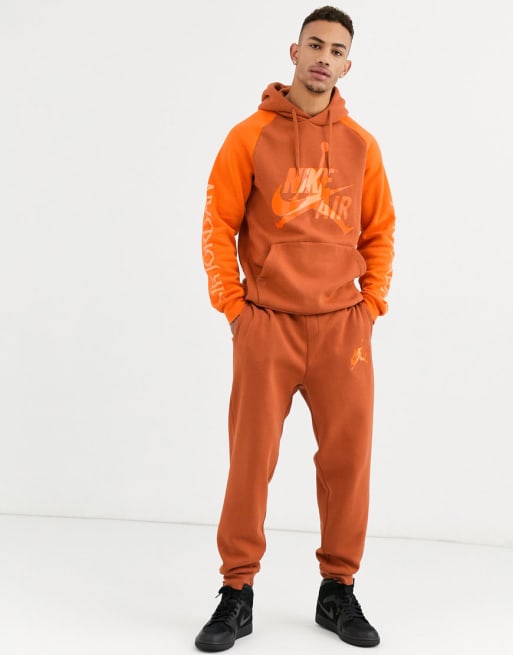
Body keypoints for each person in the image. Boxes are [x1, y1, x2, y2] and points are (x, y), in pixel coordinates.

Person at [196, 5, 395, 651]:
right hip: (267, 326)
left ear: (347, 65)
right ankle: (236, 592)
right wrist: (233, 307)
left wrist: (371, 306)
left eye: (336, 51)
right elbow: (217, 223)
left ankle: (337, 589)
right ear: (293, 51)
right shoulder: (248, 135)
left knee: (347, 463)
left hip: (343, 329)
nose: (323, 58)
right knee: (250, 461)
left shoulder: (361, 144)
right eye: (315, 45)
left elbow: (379, 230)